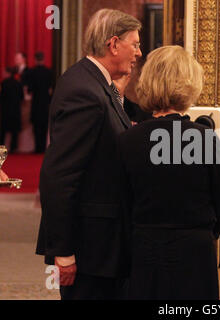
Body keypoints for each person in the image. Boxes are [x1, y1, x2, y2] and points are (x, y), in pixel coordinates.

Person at [35, 9, 142, 300]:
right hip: (89, 249)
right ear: (113, 44)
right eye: (135, 44)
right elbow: (59, 176)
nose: (139, 52)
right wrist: (64, 252)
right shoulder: (84, 91)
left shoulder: (95, 84)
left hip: (102, 247)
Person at [118, 45, 220, 299]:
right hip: (195, 251)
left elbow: (122, 203)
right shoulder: (203, 138)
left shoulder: (128, 140)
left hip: (145, 249)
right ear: (191, 83)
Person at [28, 51, 54, 153]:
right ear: (43, 59)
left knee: (36, 127)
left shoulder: (32, 72)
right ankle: (43, 148)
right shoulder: (49, 72)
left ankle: (37, 147)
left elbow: (30, 89)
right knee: (44, 126)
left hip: (35, 102)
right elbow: (52, 88)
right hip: (45, 102)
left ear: (35, 59)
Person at [0, 67, 24, 152]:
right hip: (16, 110)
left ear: (8, 73)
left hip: (5, 110)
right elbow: (22, 97)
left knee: (3, 131)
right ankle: (14, 148)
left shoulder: (4, 83)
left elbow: (1, 96)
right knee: (15, 131)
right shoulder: (18, 83)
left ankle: (2, 147)